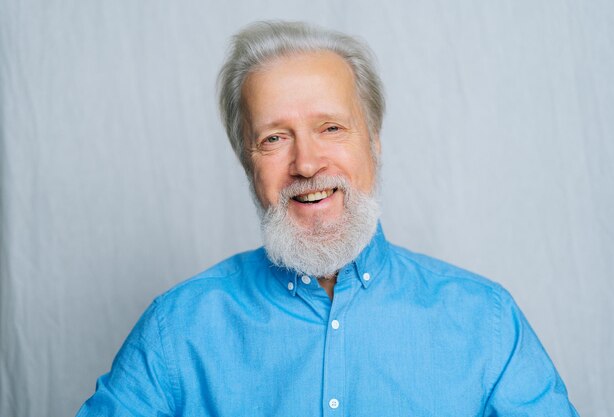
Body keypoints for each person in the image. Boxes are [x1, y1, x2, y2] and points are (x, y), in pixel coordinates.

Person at [77, 21, 579, 416]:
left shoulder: (485, 321)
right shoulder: (177, 329)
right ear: (247, 161)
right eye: (274, 138)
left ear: (375, 141)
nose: (307, 164)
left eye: (331, 127)